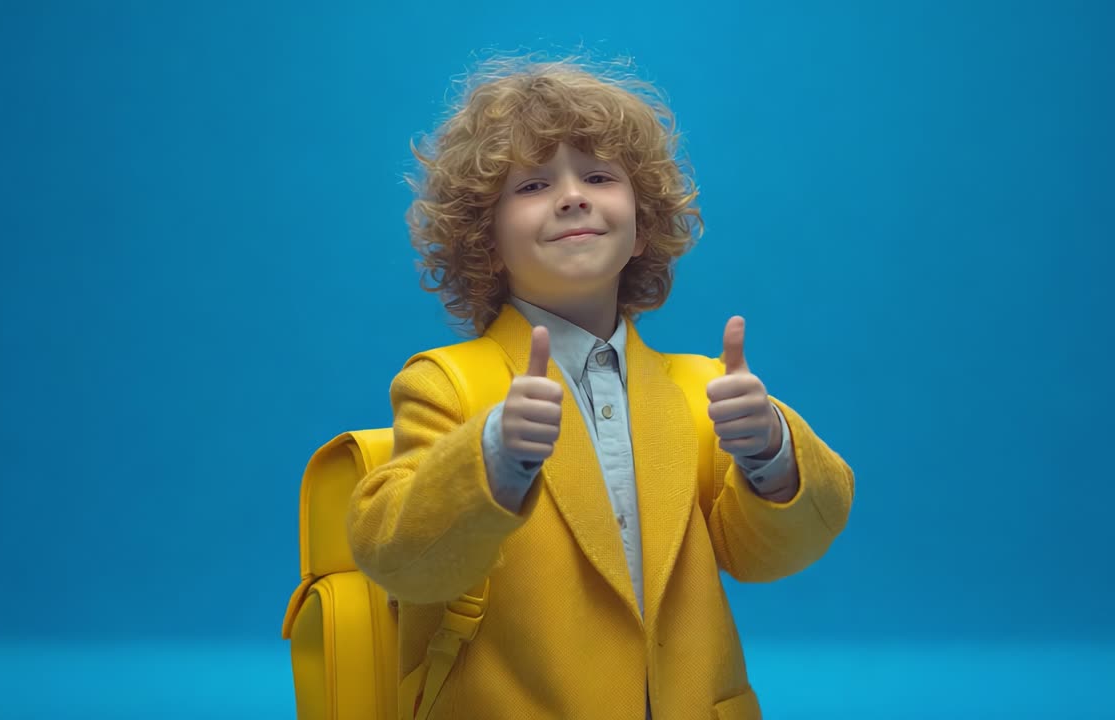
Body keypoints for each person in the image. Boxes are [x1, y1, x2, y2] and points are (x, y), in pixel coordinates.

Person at [346, 54, 855, 720]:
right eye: (532, 185)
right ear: (485, 242)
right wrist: (492, 456)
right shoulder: (447, 384)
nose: (572, 197)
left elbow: (772, 554)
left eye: (598, 176)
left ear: (642, 227)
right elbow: (400, 559)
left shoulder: (703, 388)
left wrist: (771, 450)